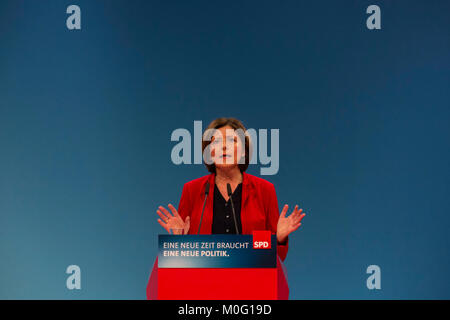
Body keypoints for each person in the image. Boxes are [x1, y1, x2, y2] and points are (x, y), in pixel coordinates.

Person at [156, 117, 305, 261]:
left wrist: (279, 239)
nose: (224, 147)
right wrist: (178, 240)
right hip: (202, 283)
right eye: (217, 142)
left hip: (252, 283)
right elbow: (181, 259)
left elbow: (277, 258)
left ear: (244, 152)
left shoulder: (265, 190)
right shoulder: (192, 190)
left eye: (232, 141)